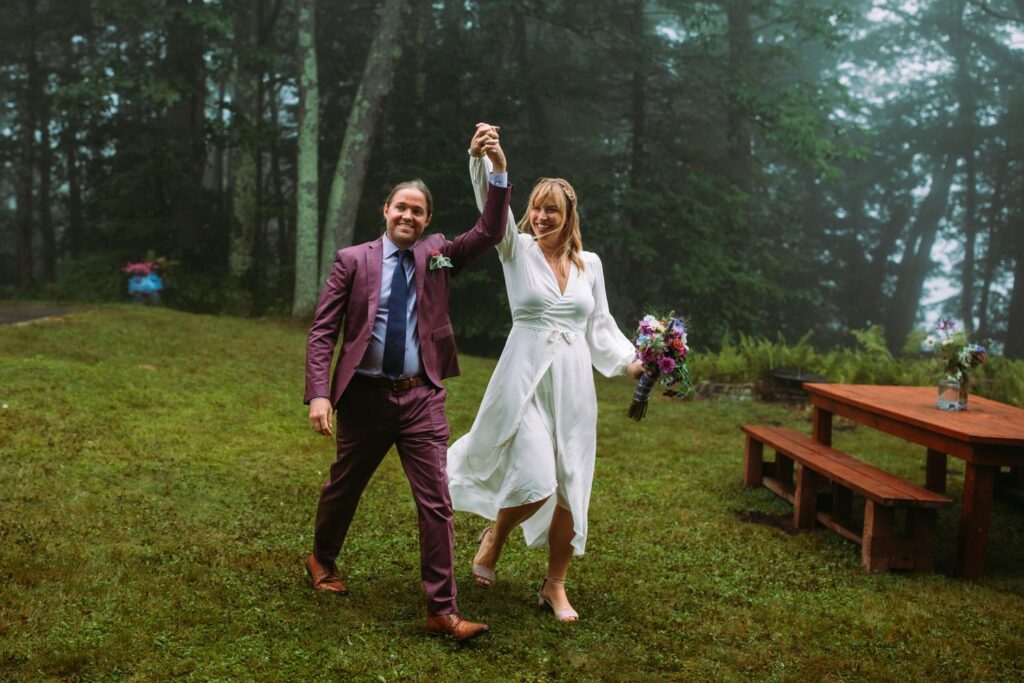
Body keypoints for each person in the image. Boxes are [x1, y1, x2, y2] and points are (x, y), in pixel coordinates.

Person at [303, 129, 511, 642]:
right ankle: (321, 559)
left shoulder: (437, 255)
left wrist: (497, 169)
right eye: (401, 207)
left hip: (421, 397)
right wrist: (320, 393)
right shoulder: (352, 260)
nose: (408, 217)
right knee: (344, 486)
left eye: (418, 212)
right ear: (385, 209)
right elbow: (324, 330)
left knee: (436, 502)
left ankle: (443, 609)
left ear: (427, 221)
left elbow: (489, 229)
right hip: (365, 399)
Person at [447, 126, 644, 622]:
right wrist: (488, 162)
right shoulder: (516, 248)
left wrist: (632, 361)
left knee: (570, 485)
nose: (541, 216)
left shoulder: (590, 265)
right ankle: (496, 534)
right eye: (535, 207)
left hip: (574, 383)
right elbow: (490, 210)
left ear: (568, 214)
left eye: (551, 209)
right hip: (526, 375)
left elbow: (600, 323)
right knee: (537, 477)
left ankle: (555, 586)